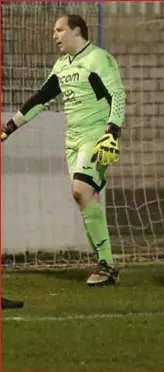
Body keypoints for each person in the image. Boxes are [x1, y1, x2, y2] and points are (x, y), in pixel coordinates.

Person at [1, 15, 126, 286]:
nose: (54, 35)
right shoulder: (62, 65)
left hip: (97, 135)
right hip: (73, 139)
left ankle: (107, 264)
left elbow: (117, 95)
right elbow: (41, 99)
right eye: (54, 31)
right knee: (84, 197)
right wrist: (9, 127)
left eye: (59, 30)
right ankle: (107, 264)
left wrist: (112, 133)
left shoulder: (98, 58)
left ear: (76, 31)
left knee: (80, 190)